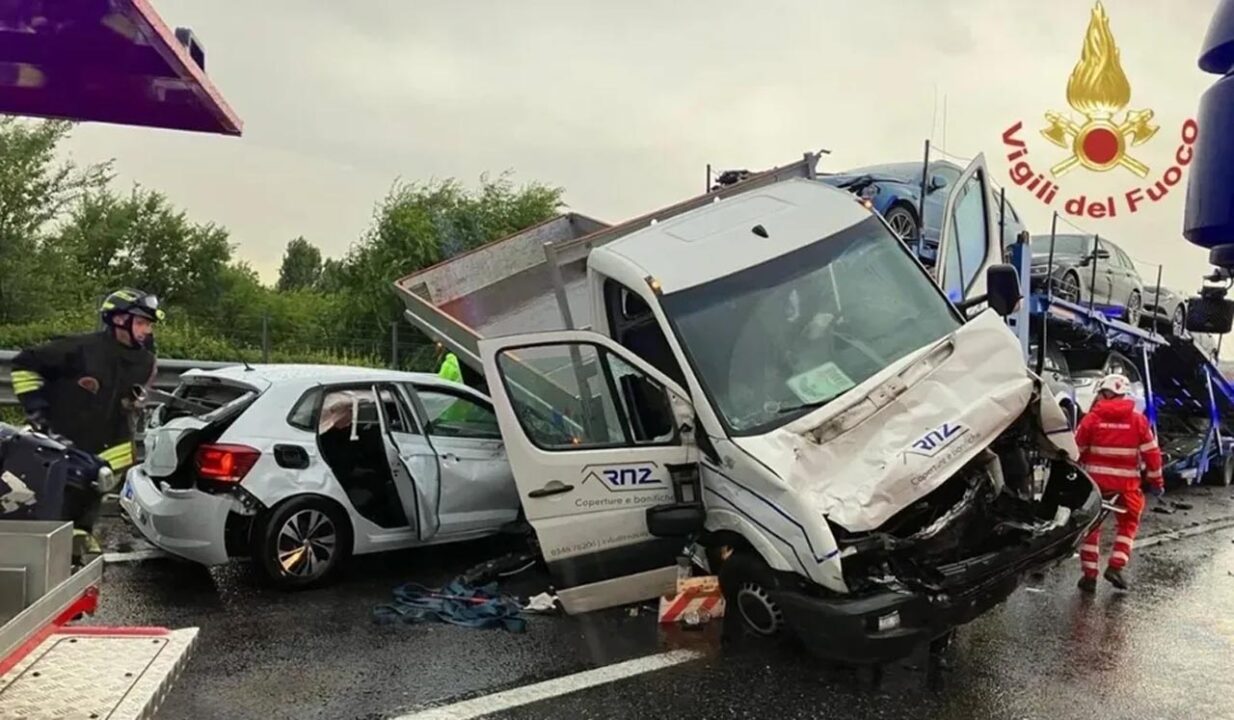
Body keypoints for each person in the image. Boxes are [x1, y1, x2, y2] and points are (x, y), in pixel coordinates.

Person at [10, 289, 163, 556]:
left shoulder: (147, 360)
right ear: (118, 320)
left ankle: (79, 539)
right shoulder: (80, 349)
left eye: (148, 324)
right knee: (57, 499)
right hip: (65, 441)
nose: (146, 330)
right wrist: (37, 410)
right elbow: (24, 364)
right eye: (140, 322)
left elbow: (135, 399)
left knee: (92, 491)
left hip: (112, 445)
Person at [1073, 372, 1164, 592]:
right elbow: (1152, 454)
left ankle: (1089, 577)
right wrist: (1156, 480)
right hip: (1127, 487)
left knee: (1091, 527)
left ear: (1104, 393)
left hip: (1097, 485)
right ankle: (1115, 566)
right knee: (1129, 524)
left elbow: (1077, 450)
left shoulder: (1092, 419)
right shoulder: (1138, 421)